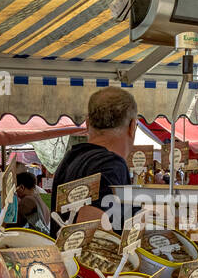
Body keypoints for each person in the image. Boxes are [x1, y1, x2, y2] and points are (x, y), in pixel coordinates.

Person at [49, 87, 136, 234]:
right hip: (85, 257)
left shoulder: (71, 159)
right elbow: (90, 231)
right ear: (132, 126)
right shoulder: (112, 165)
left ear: (88, 123)